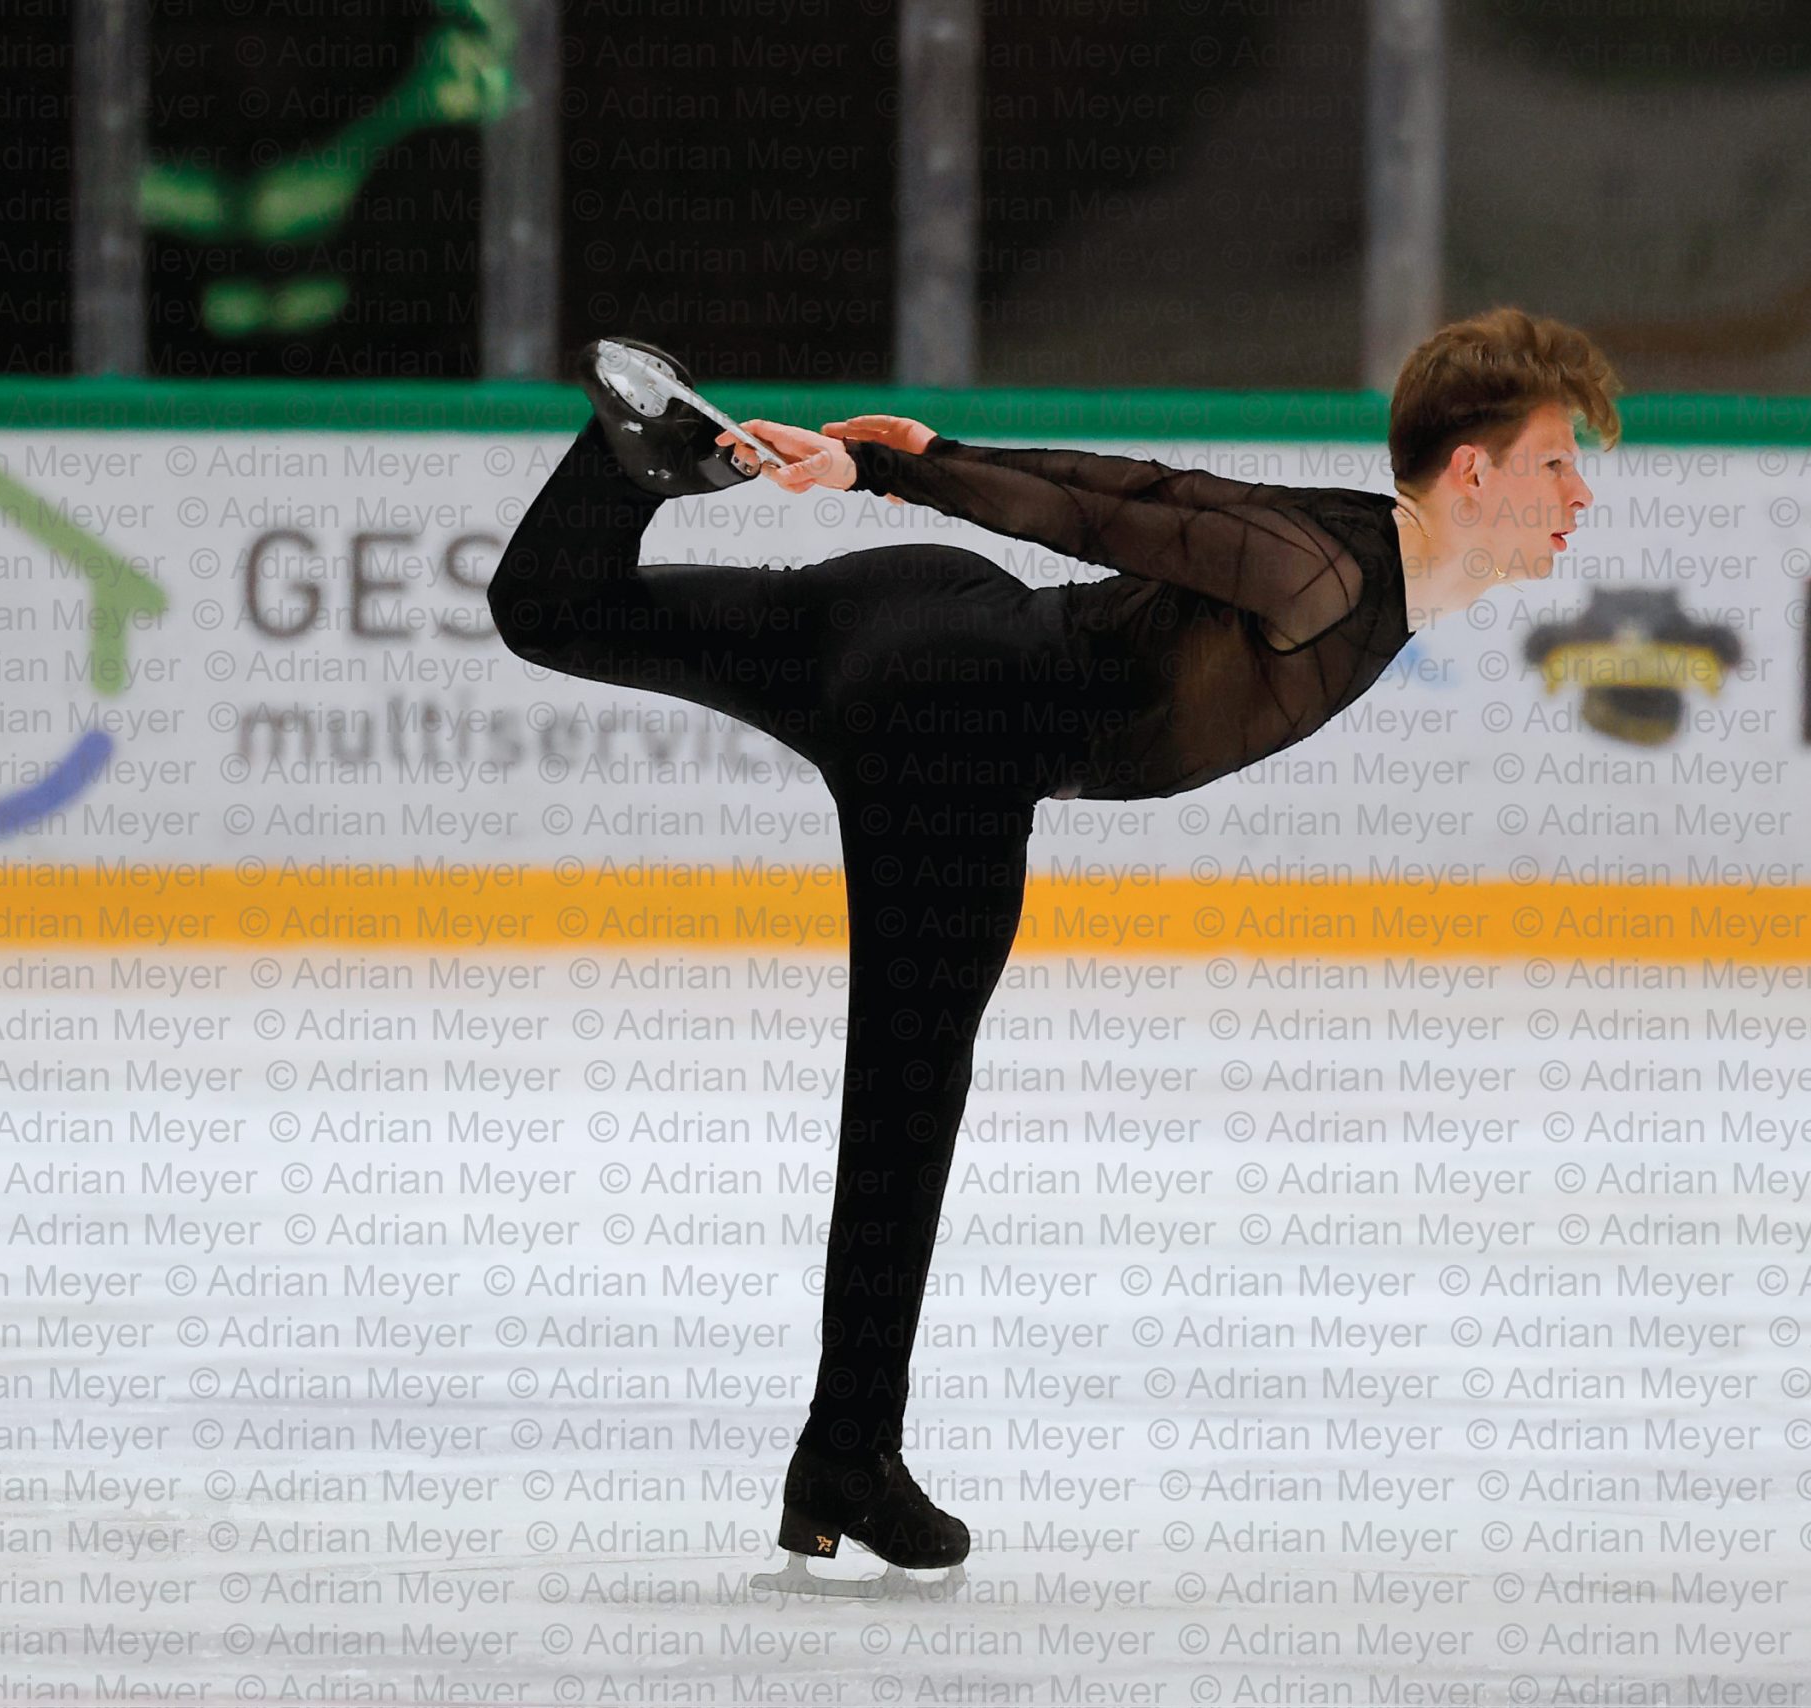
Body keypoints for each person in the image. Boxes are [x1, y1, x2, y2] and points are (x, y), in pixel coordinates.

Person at [486, 307, 1619, 1581]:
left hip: (928, 625)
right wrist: (907, 462)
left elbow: (1146, 509)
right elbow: (1131, 503)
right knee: (906, 1106)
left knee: (550, 609)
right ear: (1473, 473)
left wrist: (914, 466)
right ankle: (846, 1457)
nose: (1579, 493)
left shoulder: (1365, 567)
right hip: (954, 726)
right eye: (1556, 463)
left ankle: (634, 459)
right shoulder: (1332, 573)